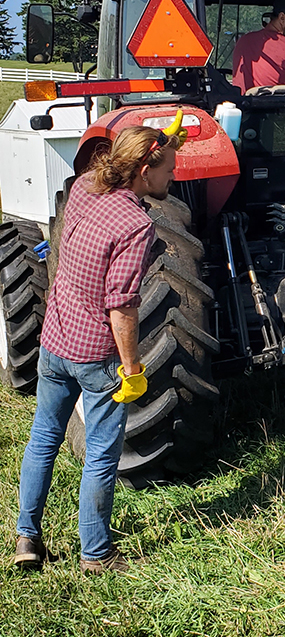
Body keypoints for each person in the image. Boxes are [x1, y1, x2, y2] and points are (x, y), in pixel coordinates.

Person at [14, 123, 182, 574]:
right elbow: (122, 304)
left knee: (44, 438)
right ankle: (96, 553)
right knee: (103, 454)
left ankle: (26, 537)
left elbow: (113, 166)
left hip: (55, 341)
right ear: (145, 169)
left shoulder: (87, 188)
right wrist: (132, 367)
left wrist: (162, 141)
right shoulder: (136, 223)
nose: (174, 176)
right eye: (168, 168)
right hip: (96, 356)